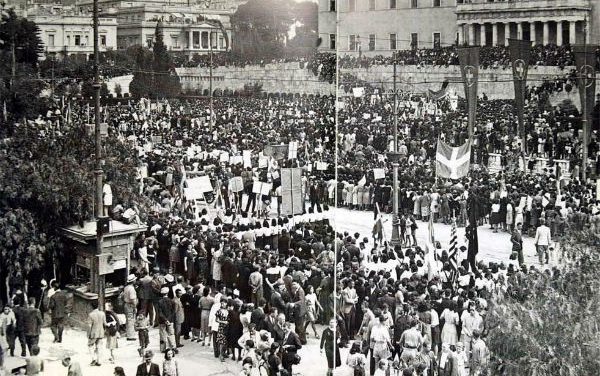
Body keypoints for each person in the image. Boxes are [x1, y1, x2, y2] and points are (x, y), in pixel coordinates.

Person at [156, 287, 177, 353]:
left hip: (162, 321)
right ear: (167, 293)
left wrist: (165, 320)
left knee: (162, 334)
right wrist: (168, 319)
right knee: (171, 334)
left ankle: (163, 348)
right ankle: (173, 347)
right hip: (170, 320)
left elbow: (160, 312)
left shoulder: (159, 302)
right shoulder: (172, 301)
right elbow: (173, 312)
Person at [88, 300, 106, 366]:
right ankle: (99, 361)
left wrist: (88, 334)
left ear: (91, 306)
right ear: (98, 306)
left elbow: (89, 326)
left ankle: (93, 359)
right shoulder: (102, 313)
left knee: (90, 346)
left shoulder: (91, 315)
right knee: (99, 347)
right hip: (101, 332)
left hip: (93, 333)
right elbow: (105, 324)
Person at [123, 274, 139, 341]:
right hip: (130, 305)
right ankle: (130, 336)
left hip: (126, 304)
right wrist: (135, 306)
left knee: (128, 319)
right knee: (131, 320)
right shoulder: (131, 289)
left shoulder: (126, 287)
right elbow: (132, 299)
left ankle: (129, 333)